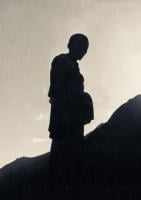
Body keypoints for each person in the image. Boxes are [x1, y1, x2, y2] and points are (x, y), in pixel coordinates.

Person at [47, 33, 93, 199]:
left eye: (86, 49)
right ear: (71, 45)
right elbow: (56, 93)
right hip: (65, 122)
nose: (83, 51)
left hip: (73, 121)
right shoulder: (62, 61)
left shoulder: (73, 65)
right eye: (81, 47)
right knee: (62, 167)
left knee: (72, 166)